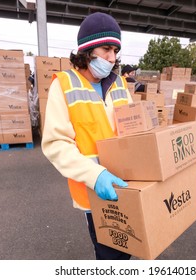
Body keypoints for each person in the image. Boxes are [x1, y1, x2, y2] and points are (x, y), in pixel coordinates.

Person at [41, 12, 133, 260]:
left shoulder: (120, 84)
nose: (112, 58)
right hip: (96, 191)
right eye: (106, 49)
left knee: (129, 251)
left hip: (129, 188)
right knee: (110, 256)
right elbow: (56, 144)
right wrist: (96, 174)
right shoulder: (64, 84)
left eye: (115, 50)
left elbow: (135, 131)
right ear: (88, 51)